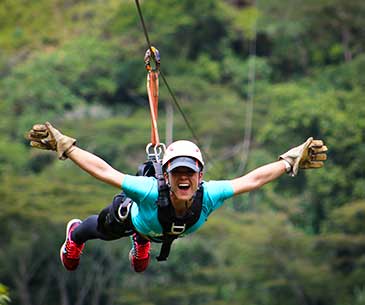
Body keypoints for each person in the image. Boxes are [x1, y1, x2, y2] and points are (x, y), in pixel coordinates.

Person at [26, 122, 328, 273]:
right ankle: (75, 236)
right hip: (137, 218)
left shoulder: (209, 194)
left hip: (157, 229)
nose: (184, 178)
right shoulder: (147, 191)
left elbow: (252, 180)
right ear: (166, 177)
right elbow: (105, 171)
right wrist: (66, 146)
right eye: (176, 173)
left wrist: (289, 161)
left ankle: (142, 241)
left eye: (190, 173)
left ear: (200, 176)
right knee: (106, 226)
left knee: (152, 233)